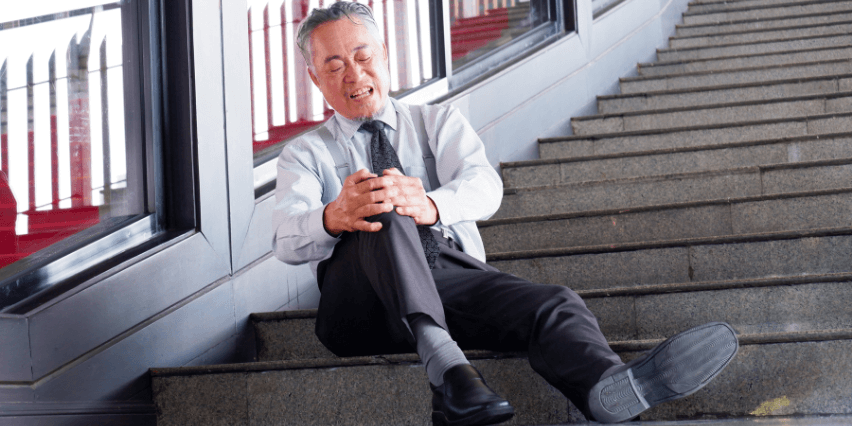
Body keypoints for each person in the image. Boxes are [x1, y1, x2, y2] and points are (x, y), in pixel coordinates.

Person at [271, 2, 739, 425]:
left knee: (555, 303)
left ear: (384, 53)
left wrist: (431, 204)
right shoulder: (303, 154)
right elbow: (285, 240)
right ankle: (449, 371)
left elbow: (484, 186)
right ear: (316, 78)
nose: (353, 74)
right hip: (360, 308)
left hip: (446, 275)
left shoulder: (436, 122)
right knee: (380, 204)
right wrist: (334, 216)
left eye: (362, 56)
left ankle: (605, 388)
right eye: (334, 66)